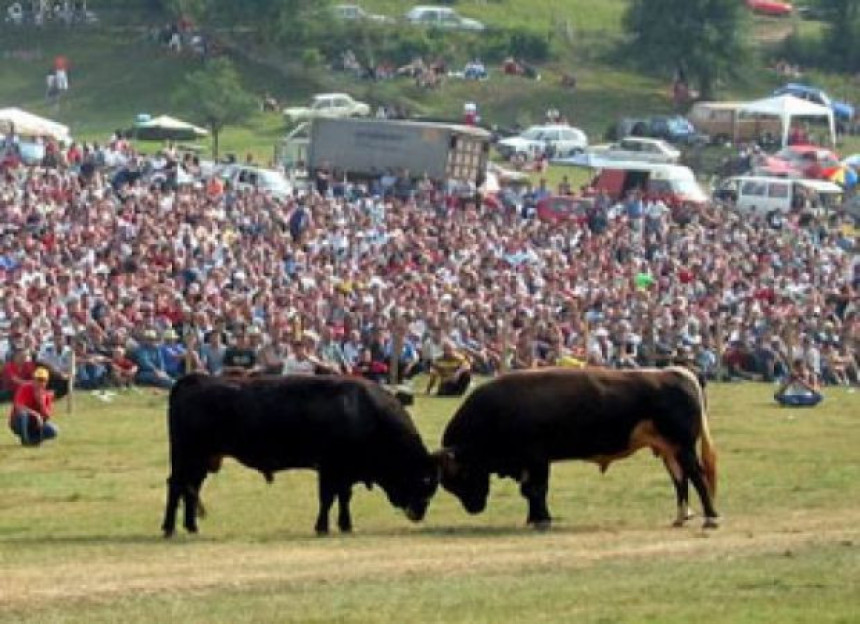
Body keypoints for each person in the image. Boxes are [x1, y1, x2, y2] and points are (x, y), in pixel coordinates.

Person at [9, 367, 57, 446]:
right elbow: (18, 406)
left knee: (53, 430)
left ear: (46, 382)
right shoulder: (25, 388)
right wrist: (36, 414)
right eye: (37, 379)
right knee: (23, 414)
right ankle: (25, 440)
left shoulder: (47, 395)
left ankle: (33, 440)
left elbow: (47, 417)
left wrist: (41, 403)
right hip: (19, 422)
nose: (39, 382)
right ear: (33, 379)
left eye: (42, 380)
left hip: (35, 424)